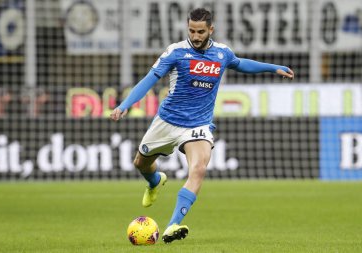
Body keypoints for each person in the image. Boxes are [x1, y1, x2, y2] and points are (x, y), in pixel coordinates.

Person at [111, 8, 294, 243]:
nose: (195, 36)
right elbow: (150, 79)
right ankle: (155, 181)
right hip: (167, 121)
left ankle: (172, 225)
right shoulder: (176, 52)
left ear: (210, 30)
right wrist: (125, 104)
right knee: (141, 163)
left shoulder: (222, 53)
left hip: (198, 125)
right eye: (191, 31)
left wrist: (272, 67)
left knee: (198, 169)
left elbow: (240, 63)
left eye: (200, 31)